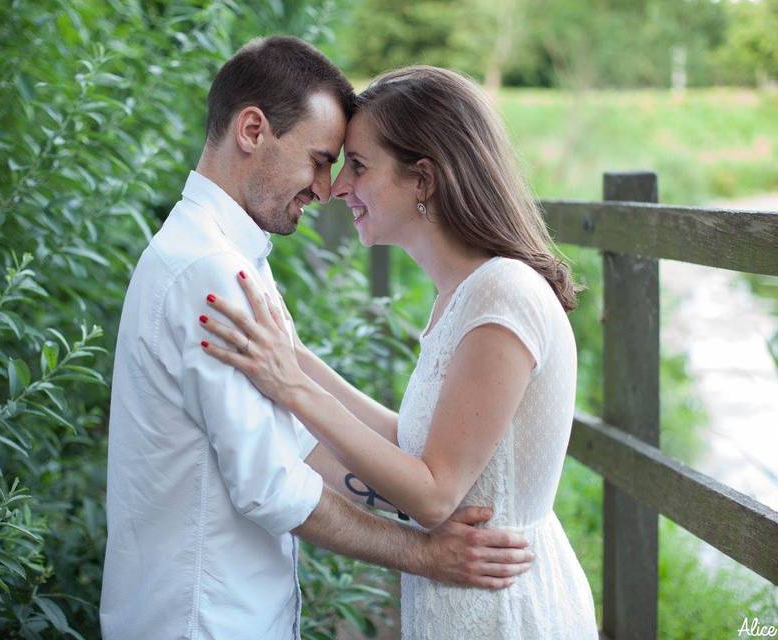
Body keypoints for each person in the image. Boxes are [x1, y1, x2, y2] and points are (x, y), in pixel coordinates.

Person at [99, 39, 534, 640]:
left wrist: (425, 496)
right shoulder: (211, 272)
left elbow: (301, 444)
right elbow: (270, 485)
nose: (326, 188)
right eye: (320, 159)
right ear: (252, 129)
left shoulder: (224, 255)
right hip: (202, 619)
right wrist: (424, 553)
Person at [198, 65, 598, 639]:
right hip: (465, 605)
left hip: (505, 613)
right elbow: (409, 443)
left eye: (358, 167)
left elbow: (435, 494)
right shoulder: (461, 296)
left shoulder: (502, 294)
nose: (335, 188)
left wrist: (292, 385)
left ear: (424, 180)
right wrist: (292, 356)